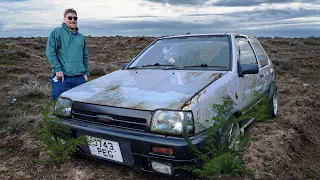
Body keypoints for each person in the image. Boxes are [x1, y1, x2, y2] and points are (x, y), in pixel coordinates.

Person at [46, 8, 89, 100]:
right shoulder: (57, 32)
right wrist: (57, 69)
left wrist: (85, 73)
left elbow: (85, 56)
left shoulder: (81, 37)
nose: (73, 20)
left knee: (80, 106)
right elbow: (50, 51)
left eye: (75, 18)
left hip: (79, 78)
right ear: (64, 19)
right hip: (62, 77)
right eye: (70, 18)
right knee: (60, 106)